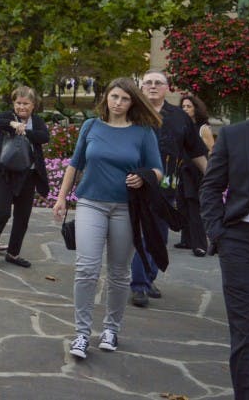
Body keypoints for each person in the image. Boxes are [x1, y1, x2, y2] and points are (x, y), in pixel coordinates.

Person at [52, 77, 162, 359]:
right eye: (114, 97)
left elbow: (158, 171)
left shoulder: (143, 132)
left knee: (118, 272)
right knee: (86, 268)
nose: (118, 103)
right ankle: (81, 333)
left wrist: (144, 177)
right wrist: (62, 197)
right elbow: (75, 164)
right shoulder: (91, 126)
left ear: (132, 102)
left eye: (125, 99)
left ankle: (112, 328)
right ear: (106, 98)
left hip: (126, 208)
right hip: (90, 203)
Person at [201, 62, 249, 400]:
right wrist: (220, 234)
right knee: (248, 334)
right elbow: (211, 187)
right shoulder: (235, 135)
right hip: (242, 242)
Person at [130, 70, 208, 305]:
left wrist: (214, 178)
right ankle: (140, 285)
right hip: (135, 185)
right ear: (142, 87)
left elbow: (196, 151)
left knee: (160, 237)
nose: (153, 86)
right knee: (144, 236)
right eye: (148, 83)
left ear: (167, 88)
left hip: (167, 188)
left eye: (158, 83)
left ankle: (149, 277)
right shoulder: (132, 113)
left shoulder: (179, 117)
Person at [0, 86, 51, 268]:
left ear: (33, 105)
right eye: (18, 103)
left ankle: (13, 253)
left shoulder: (36, 121)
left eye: (26, 103)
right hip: (3, 173)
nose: (21, 107)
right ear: (13, 103)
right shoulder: (7, 117)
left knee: (22, 217)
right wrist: (12, 125)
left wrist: (25, 131)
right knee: (2, 212)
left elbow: (44, 137)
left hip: (27, 175)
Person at [176, 92, 213, 254]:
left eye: (188, 106)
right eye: (183, 106)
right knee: (182, 204)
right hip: (181, 170)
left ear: (196, 109)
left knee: (194, 207)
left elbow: (212, 151)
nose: (185, 109)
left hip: (196, 173)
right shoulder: (181, 127)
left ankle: (200, 245)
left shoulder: (203, 128)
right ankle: (186, 240)